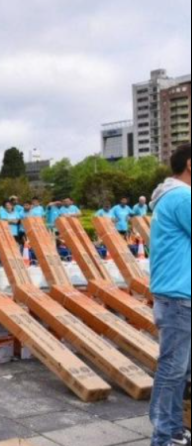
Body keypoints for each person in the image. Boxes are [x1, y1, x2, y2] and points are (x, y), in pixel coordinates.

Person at [148, 144, 191, 446]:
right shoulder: (182, 197)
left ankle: (174, 430)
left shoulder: (172, 197)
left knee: (180, 370)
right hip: (179, 297)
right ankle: (164, 436)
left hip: (176, 294)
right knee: (173, 370)